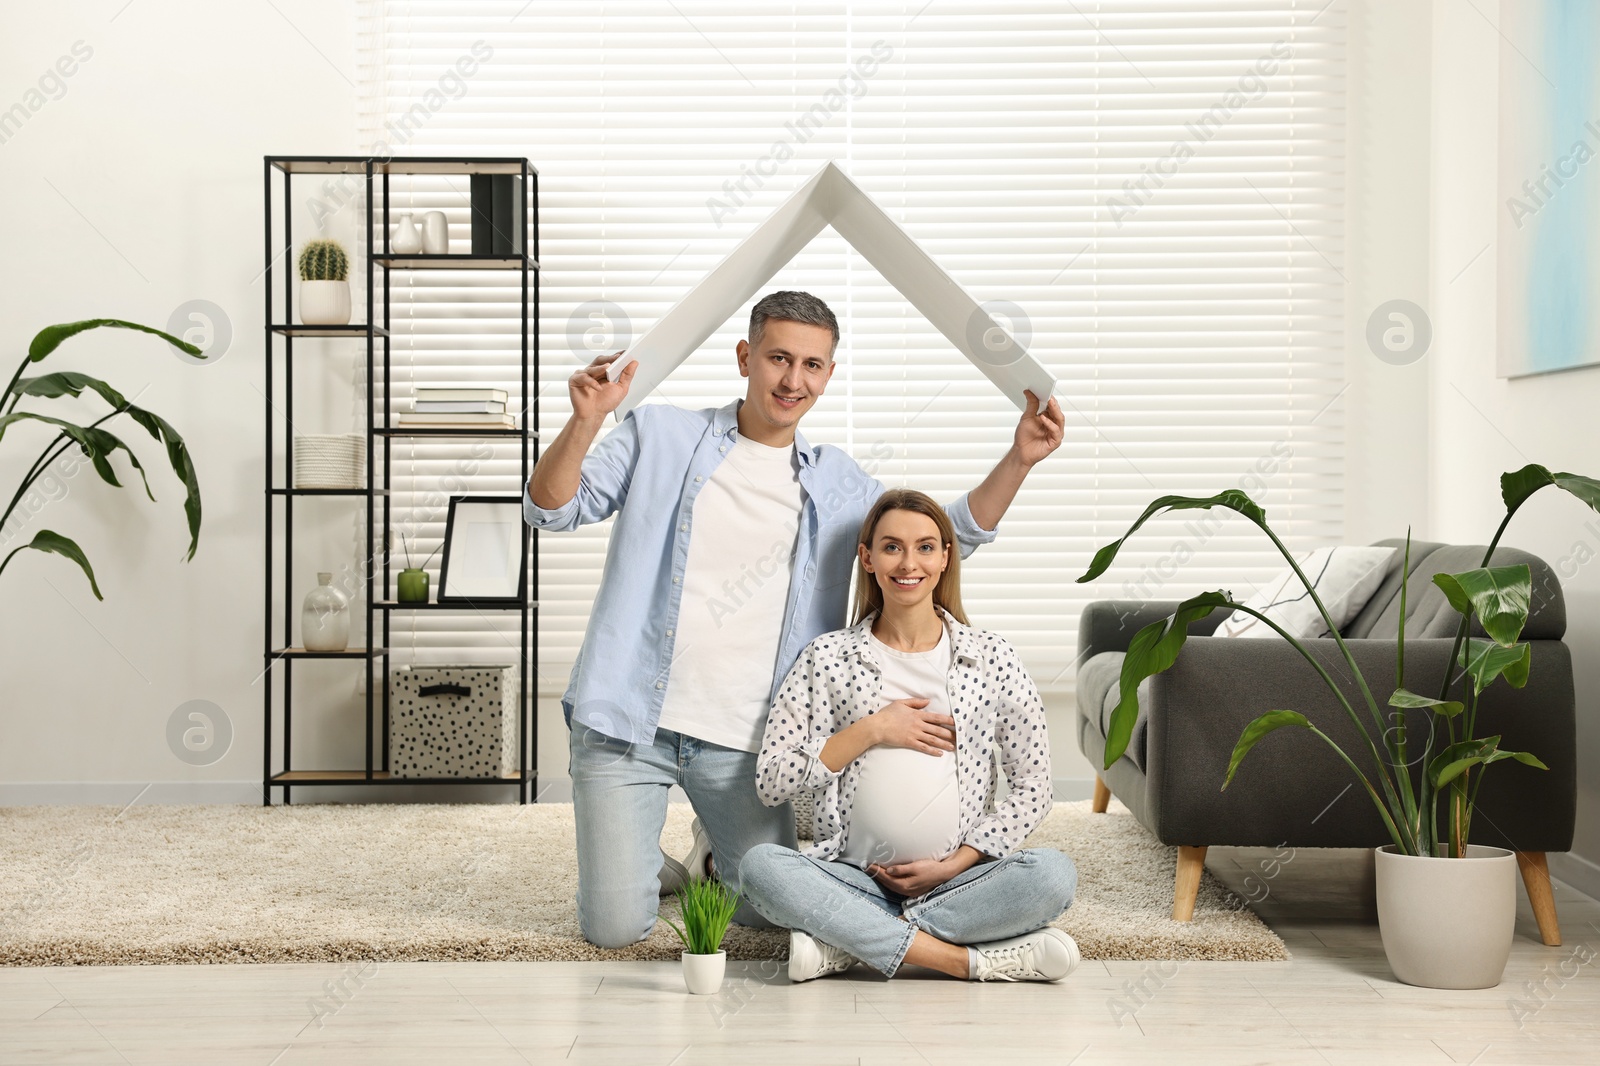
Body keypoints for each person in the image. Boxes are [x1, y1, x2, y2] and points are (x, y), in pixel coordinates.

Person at [524, 290, 1064, 949]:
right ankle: (637, 860)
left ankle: (713, 858)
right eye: (779, 358)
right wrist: (585, 421)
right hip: (626, 723)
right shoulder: (658, 434)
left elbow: (935, 537)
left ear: (829, 374)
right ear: (747, 357)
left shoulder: (836, 482)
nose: (793, 380)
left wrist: (1020, 460)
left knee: (771, 915)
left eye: (812, 365)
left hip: (741, 741)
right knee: (614, 929)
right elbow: (552, 509)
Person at [739, 489, 1079, 983]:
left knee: (1052, 876)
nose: (908, 562)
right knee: (761, 869)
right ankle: (960, 960)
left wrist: (956, 864)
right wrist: (873, 729)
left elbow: (1034, 787)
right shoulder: (826, 657)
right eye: (891, 546)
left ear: (945, 557)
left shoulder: (991, 657)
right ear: (868, 558)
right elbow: (772, 780)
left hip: (958, 882)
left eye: (924, 547)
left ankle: (852, 944)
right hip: (855, 876)